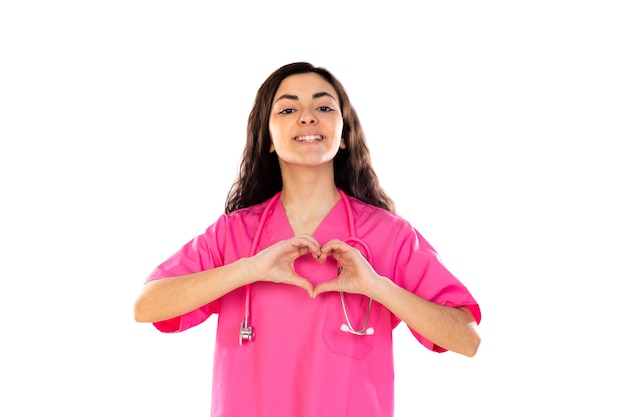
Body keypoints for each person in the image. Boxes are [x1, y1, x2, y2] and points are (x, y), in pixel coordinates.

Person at [134, 62, 481, 417]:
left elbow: (466, 339)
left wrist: (377, 286)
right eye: (288, 109)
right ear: (268, 138)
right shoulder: (234, 234)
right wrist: (249, 269)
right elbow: (146, 305)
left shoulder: (388, 235)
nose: (307, 117)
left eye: (324, 107)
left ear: (343, 134)